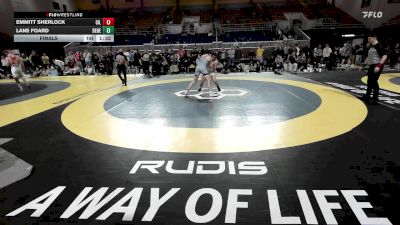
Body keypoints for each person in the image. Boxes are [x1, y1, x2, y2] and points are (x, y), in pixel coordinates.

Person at [359, 33, 387, 105]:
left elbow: (384, 56)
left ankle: (374, 98)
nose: (368, 40)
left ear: (374, 38)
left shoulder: (378, 46)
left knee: (373, 81)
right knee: (370, 81)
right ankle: (368, 96)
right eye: (368, 38)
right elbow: (368, 57)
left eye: (369, 38)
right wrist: (363, 65)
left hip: (377, 65)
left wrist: (378, 66)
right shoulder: (371, 46)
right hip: (372, 66)